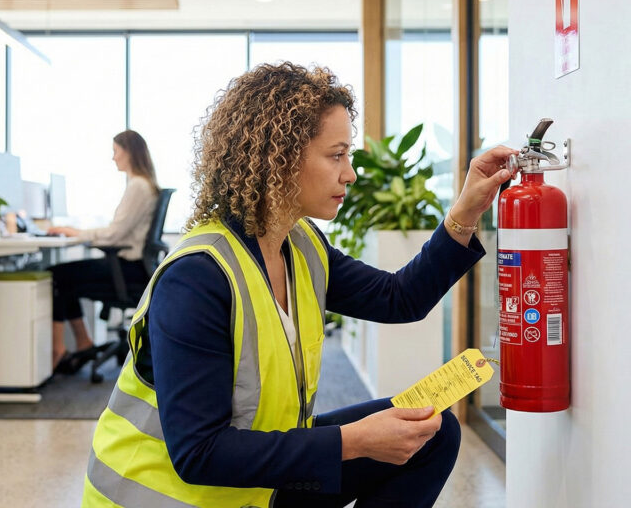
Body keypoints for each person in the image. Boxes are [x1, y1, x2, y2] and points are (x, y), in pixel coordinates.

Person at [83, 63, 516, 507]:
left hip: (255, 482)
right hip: (178, 496)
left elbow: (399, 298)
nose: (350, 174)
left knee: (431, 432)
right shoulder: (197, 278)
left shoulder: (301, 245)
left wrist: (464, 212)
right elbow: (199, 454)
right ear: (279, 158)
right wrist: (352, 441)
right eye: (337, 155)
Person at [46, 130, 159, 373]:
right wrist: (80, 233)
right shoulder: (142, 184)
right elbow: (117, 231)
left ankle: (60, 349)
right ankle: (82, 342)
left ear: (129, 152)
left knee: (56, 275)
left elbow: (114, 234)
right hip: (134, 267)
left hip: (128, 270)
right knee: (64, 279)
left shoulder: (138, 186)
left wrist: (76, 233)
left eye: (116, 151)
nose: (113, 158)